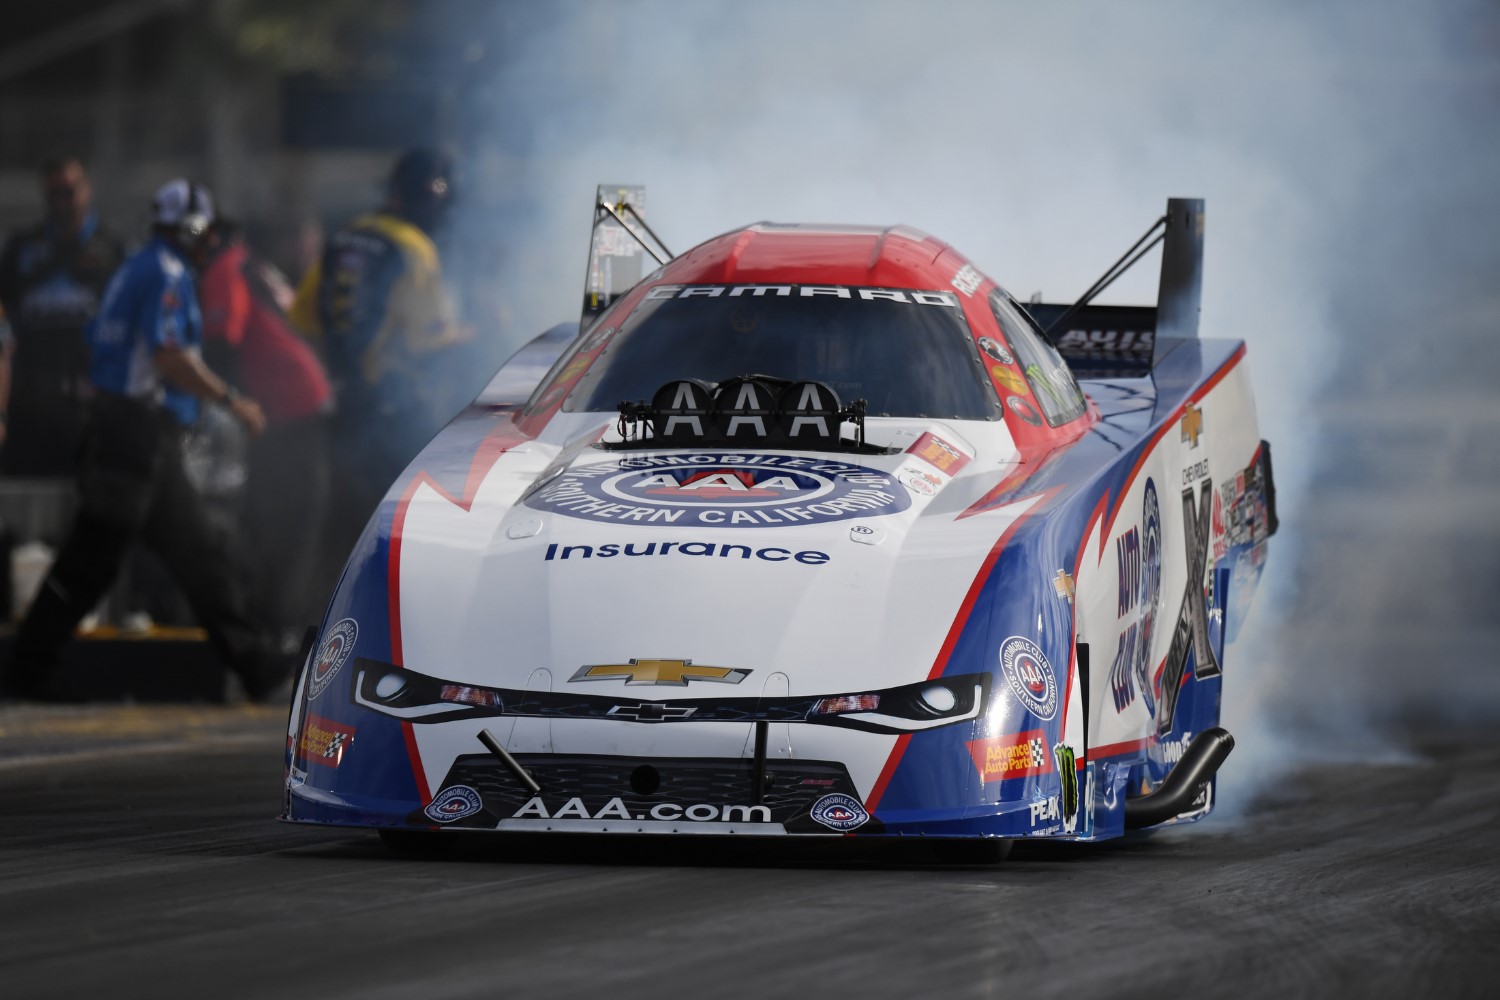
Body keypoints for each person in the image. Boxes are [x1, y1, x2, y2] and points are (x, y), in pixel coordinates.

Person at [1, 179, 286, 702]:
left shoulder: (135, 266)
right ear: (191, 230)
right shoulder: (167, 273)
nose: (210, 245)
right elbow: (169, 355)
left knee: (199, 555)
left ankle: (255, 663)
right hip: (133, 438)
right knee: (89, 563)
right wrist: (232, 400)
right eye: (205, 233)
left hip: (136, 437)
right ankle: (27, 668)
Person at [289, 148, 471, 534]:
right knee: (405, 529)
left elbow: (303, 317)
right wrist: (472, 334)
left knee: (349, 532)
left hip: (340, 406)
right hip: (392, 412)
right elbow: (428, 340)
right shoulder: (415, 248)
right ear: (431, 201)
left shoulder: (346, 237)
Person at [200, 218, 333, 640]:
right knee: (289, 519)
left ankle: (278, 627)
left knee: (282, 521)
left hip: (284, 410)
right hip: (295, 406)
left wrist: (220, 399)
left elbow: (223, 340)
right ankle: (279, 624)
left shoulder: (228, 266)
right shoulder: (253, 265)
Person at [0, 157, 126, 475]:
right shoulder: (20, 251)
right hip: (30, 405)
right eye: (54, 194)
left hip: (92, 403)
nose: (62, 202)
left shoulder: (114, 251)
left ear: (86, 190)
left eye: (69, 191)